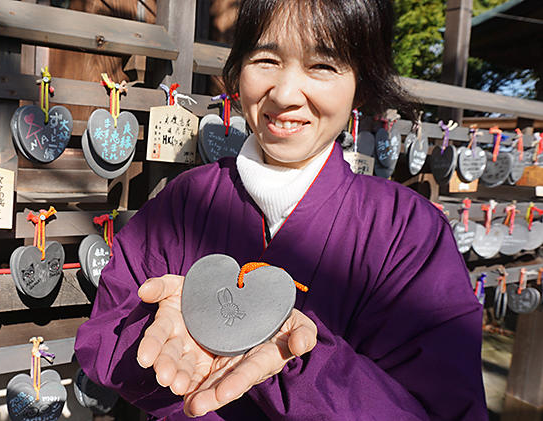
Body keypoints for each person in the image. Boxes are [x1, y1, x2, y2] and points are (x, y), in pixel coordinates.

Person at [74, 0, 487, 419]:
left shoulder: (407, 232)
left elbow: (447, 410)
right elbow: (103, 338)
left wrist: (296, 363)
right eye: (266, 59)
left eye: (322, 66)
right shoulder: (184, 201)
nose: (285, 95)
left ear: (361, 82)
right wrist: (178, 326)